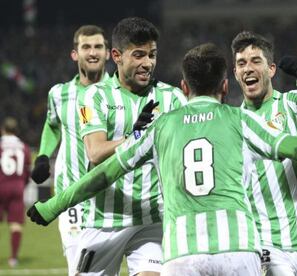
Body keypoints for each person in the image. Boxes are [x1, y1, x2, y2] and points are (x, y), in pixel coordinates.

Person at [27, 43, 297, 276]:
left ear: (184, 88)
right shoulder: (239, 119)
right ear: (226, 86)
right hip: (237, 252)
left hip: (182, 255)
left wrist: (54, 205)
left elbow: (103, 173)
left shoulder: (161, 127)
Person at [72, 17, 186, 276]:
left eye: (152, 55)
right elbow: (96, 152)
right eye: (138, 55)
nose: (148, 63)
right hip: (103, 221)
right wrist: (136, 136)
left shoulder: (172, 98)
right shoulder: (94, 96)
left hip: (151, 221)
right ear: (117, 56)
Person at [232, 30, 297, 275]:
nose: (248, 68)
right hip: (268, 245)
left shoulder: (292, 104)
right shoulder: (233, 123)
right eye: (241, 63)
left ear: (271, 69)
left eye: (255, 61)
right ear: (235, 73)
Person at [30, 25, 110, 275]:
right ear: (75, 54)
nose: (93, 52)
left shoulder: (120, 93)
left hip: (111, 196)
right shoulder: (59, 94)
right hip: (71, 196)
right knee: (80, 268)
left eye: (98, 46)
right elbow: (52, 125)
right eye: (86, 47)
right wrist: (43, 155)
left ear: (108, 53)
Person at [0, 117, 31, 267]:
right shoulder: (24, 147)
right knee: (16, 224)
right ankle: (13, 259)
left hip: (0, 184)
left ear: (3, 130)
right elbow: (27, 170)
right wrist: (21, 185)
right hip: (17, 187)